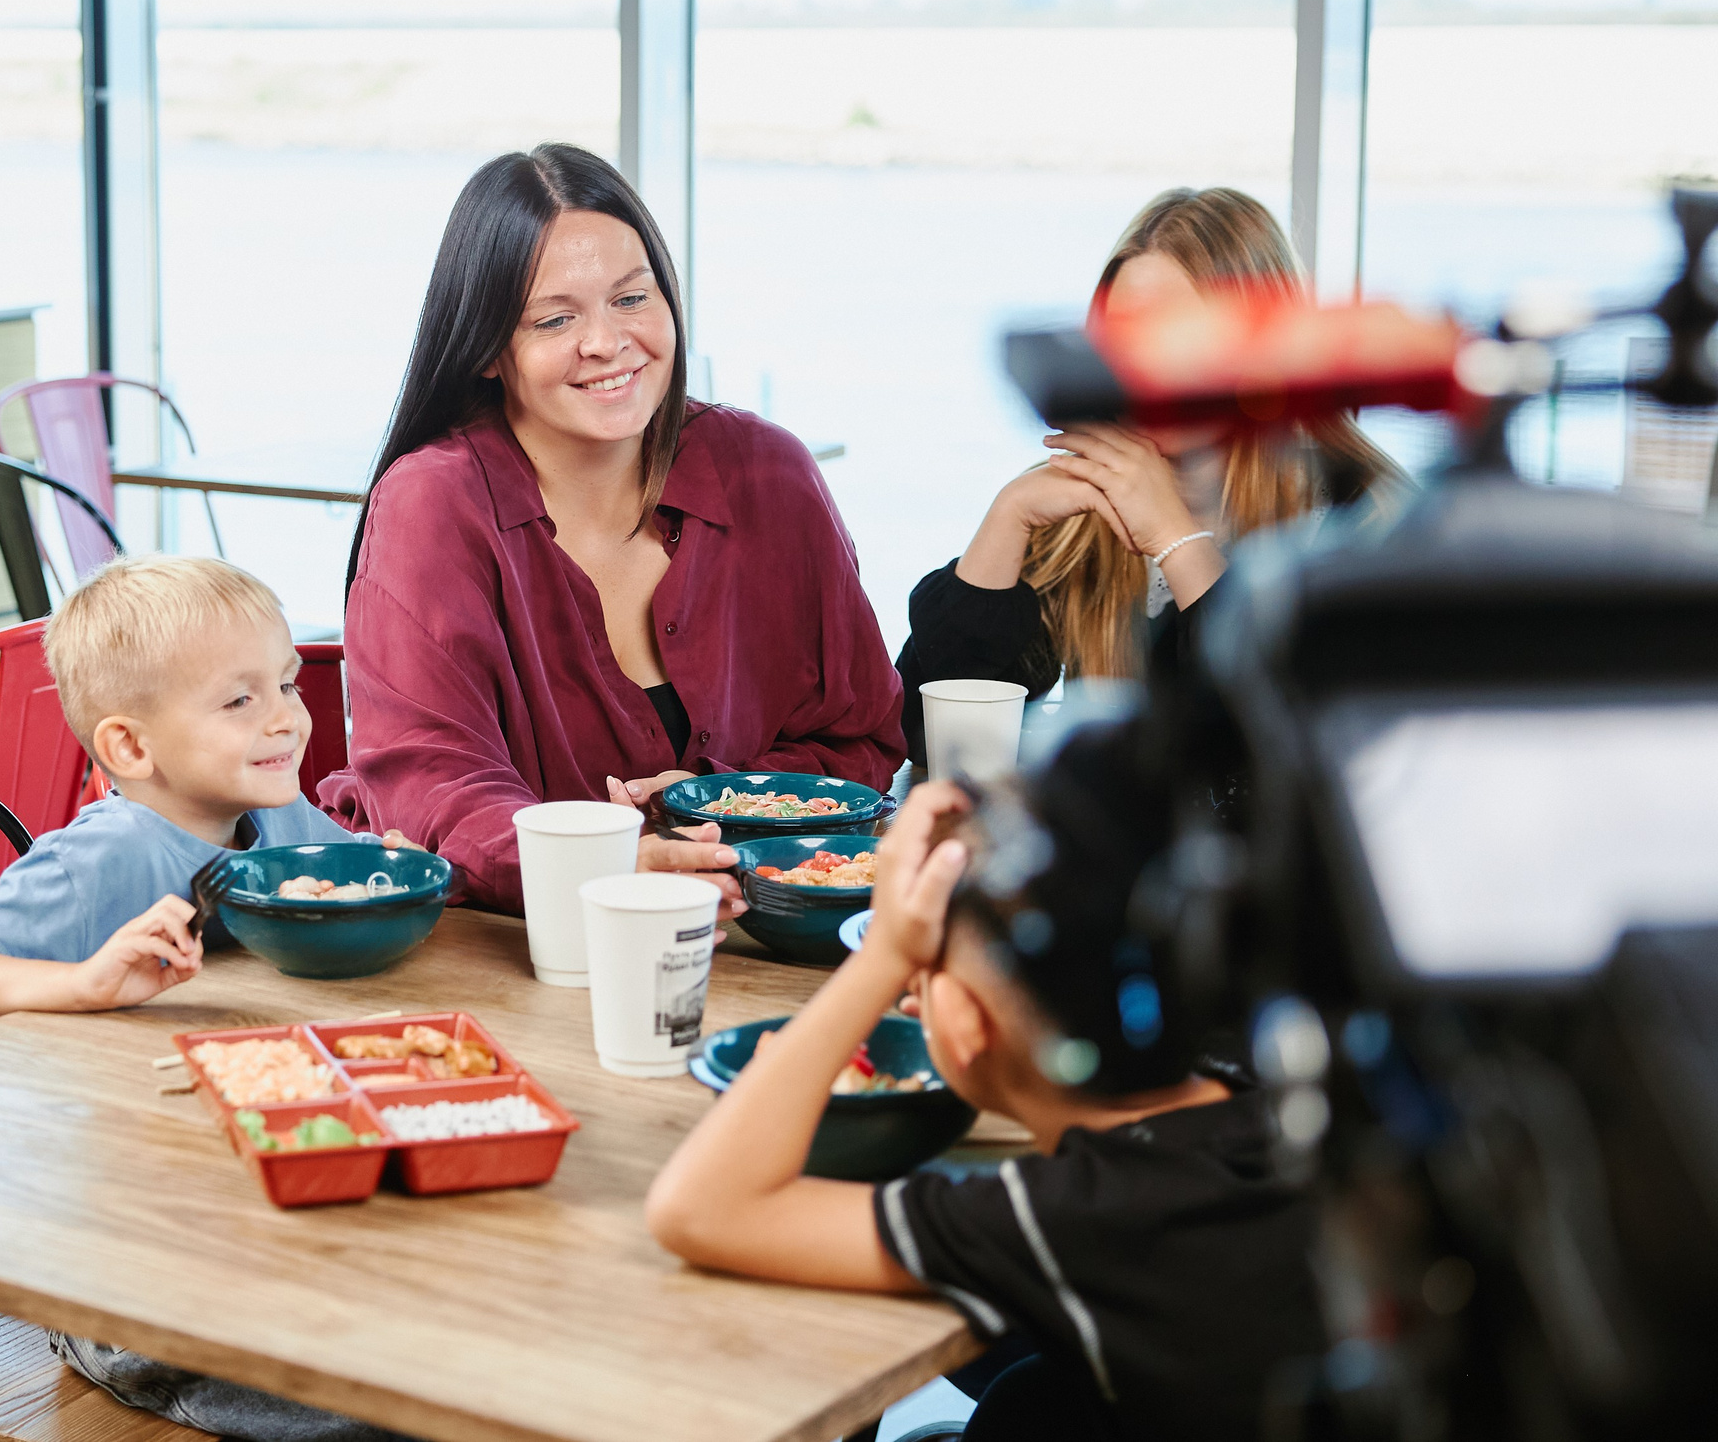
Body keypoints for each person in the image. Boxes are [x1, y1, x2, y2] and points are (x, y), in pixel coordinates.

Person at [644, 724, 1325, 1442]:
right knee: (1027, 1397)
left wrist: (882, 957)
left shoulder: (1074, 1218)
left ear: (965, 1026)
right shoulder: (1270, 1092)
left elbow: (698, 1208)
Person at [318, 143, 906, 913]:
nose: (606, 342)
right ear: (491, 349)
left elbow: (858, 737)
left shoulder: (771, 473)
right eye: (556, 318)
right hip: (488, 948)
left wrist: (715, 800)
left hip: (739, 935)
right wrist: (604, 862)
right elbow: (433, 786)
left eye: (632, 299)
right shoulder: (432, 503)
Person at [895, 187, 1403, 766]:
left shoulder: (1361, 506)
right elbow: (936, 744)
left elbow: (1304, 744)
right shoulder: (1088, 497)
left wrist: (1174, 539)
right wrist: (1005, 521)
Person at [0, 554, 406, 1024]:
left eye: (286, 685)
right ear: (132, 748)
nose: (287, 719)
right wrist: (82, 983)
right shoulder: (101, 856)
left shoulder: (282, 816)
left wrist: (400, 865)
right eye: (239, 701)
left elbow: (358, 871)